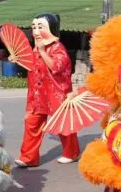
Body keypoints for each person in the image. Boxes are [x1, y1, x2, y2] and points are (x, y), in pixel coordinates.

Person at [13, 13, 80, 167]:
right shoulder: (35, 49)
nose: (36, 31)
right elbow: (31, 67)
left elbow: (56, 67)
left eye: (40, 27)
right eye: (34, 27)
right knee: (32, 123)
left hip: (57, 93)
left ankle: (72, 152)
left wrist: (43, 51)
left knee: (63, 123)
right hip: (37, 94)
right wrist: (18, 60)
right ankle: (28, 157)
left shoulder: (58, 48)